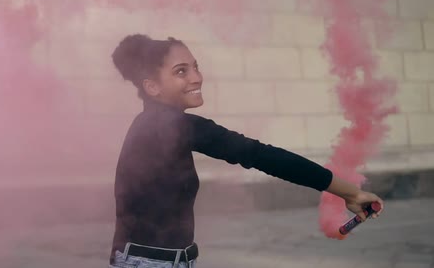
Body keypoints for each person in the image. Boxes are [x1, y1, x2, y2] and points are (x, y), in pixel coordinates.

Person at [108, 34, 383, 268]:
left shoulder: (156, 124)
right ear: (152, 86)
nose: (197, 77)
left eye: (195, 67)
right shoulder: (168, 125)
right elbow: (260, 155)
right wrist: (351, 192)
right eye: (181, 71)